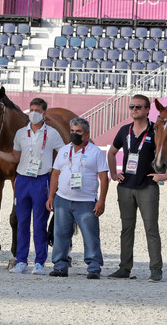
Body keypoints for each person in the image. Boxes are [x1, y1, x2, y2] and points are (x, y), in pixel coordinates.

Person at [107, 95, 167, 282]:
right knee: (126, 229)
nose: (134, 109)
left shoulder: (155, 130)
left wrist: (165, 176)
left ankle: (156, 270)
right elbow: (112, 152)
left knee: (151, 229)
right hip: (125, 186)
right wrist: (114, 174)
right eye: (132, 106)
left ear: (148, 110)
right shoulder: (125, 130)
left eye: (138, 107)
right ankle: (124, 268)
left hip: (147, 186)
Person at [0, 98, 65, 275]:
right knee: (22, 222)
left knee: (40, 223)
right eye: (31, 109)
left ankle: (40, 262)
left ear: (44, 113)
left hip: (42, 180)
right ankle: (21, 260)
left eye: (37, 110)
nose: (33, 113)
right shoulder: (20, 133)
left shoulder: (53, 134)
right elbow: (15, 157)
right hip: (23, 180)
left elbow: (63, 155)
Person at [46, 117, 108, 279]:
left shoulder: (95, 152)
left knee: (90, 234)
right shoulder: (64, 150)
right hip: (62, 199)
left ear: (86, 134)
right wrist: (51, 196)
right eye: (72, 131)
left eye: (78, 132)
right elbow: (55, 174)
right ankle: (60, 265)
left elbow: (103, 177)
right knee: (60, 234)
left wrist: (101, 200)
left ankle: (94, 267)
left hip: (86, 201)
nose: (74, 134)